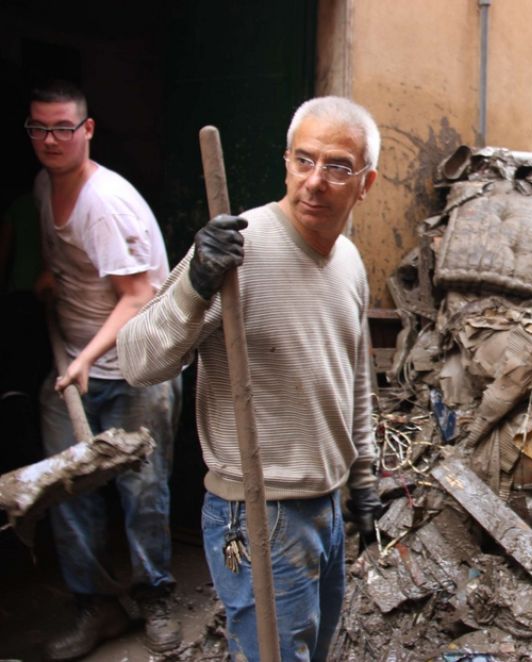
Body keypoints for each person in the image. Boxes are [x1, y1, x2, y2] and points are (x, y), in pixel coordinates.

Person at [117, 95, 383, 661]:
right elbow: (138, 361)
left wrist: (362, 476)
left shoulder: (351, 263)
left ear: (366, 182)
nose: (315, 181)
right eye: (303, 160)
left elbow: (355, 377)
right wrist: (195, 286)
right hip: (260, 510)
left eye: (337, 166)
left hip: (326, 505)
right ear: (286, 161)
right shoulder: (239, 250)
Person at [26, 80, 180, 658]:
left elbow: (138, 296)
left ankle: (156, 594)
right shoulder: (46, 183)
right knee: (67, 493)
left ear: (86, 130)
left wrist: (87, 359)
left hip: (135, 367)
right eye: (38, 127)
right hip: (74, 368)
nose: (50, 139)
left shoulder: (104, 205)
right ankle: (95, 606)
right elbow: (76, 263)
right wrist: (52, 276)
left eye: (63, 127)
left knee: (143, 491)